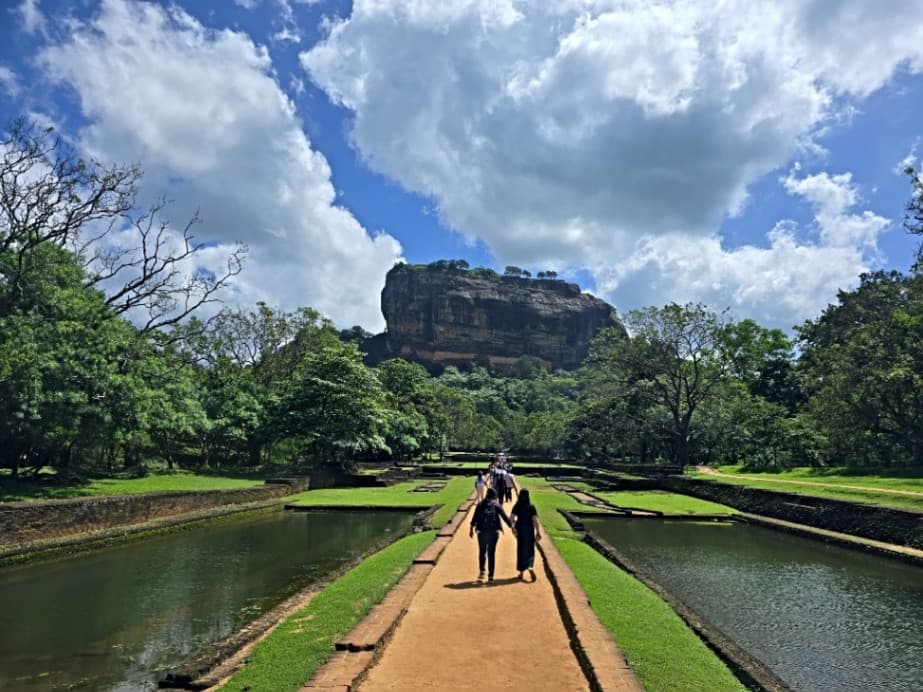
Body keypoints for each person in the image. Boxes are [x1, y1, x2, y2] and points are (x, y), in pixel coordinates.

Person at [469, 487, 513, 581]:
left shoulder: (480, 505)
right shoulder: (496, 505)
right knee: (491, 553)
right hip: (494, 532)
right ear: (494, 495)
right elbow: (505, 518)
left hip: (482, 532)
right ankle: (491, 576)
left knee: (482, 551)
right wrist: (512, 526)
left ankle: (482, 572)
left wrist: (471, 529)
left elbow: (474, 518)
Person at [510, 488, 541, 581]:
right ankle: (530, 566)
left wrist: (513, 527)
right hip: (529, 530)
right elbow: (535, 520)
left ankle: (521, 572)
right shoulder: (531, 506)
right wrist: (538, 532)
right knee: (530, 549)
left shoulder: (517, 506)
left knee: (521, 550)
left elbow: (512, 518)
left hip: (520, 529)